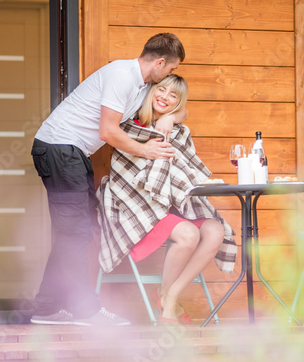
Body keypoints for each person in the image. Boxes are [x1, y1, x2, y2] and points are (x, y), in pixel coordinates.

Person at [29, 33, 186, 325]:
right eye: (171, 69)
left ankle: (46, 307)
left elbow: (175, 106)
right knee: (76, 232)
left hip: (73, 154)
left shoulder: (142, 86)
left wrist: (171, 118)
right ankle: (85, 311)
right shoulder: (120, 75)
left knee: (73, 232)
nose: (170, 75)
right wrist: (146, 151)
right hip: (59, 149)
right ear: (161, 62)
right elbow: (108, 132)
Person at [96, 74, 236, 324]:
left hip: (170, 205)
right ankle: (168, 304)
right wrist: (171, 116)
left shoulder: (177, 129)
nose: (165, 97)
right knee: (188, 235)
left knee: (215, 230)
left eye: (174, 96)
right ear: (151, 90)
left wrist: (172, 116)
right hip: (135, 204)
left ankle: (169, 294)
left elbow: (183, 120)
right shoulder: (130, 122)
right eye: (162, 90)